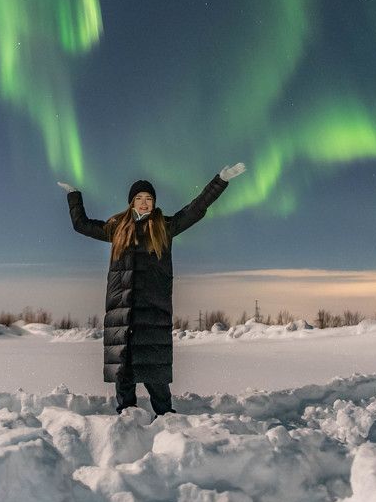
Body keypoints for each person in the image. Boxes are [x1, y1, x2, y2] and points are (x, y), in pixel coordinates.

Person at [58, 163, 246, 419]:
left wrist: (220, 180)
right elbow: (81, 225)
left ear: (154, 202)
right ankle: (127, 418)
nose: (144, 203)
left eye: (149, 198)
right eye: (139, 198)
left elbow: (197, 208)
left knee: (155, 372)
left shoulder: (165, 226)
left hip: (153, 311)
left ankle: (167, 419)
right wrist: (74, 195)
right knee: (123, 371)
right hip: (121, 311)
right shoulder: (116, 228)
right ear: (131, 202)